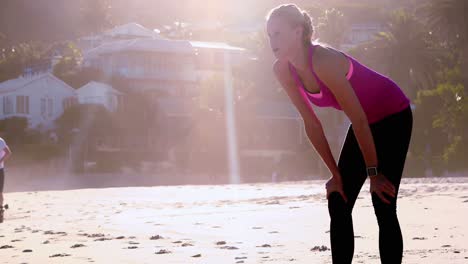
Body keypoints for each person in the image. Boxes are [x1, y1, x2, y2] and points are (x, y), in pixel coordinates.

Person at [266, 4, 413, 264]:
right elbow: (311, 124)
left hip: (393, 115)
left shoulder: (323, 61)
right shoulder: (282, 70)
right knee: (338, 198)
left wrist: (374, 174)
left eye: (277, 33)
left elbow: (357, 118)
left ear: (297, 31)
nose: (272, 41)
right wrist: (335, 175)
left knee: (383, 201)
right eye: (269, 35)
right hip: (364, 123)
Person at [0, 136, 11, 223]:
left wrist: (0, 161)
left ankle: (0, 211)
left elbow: (8, 152)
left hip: (0, 169)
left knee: (0, 192)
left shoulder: (0, 141)